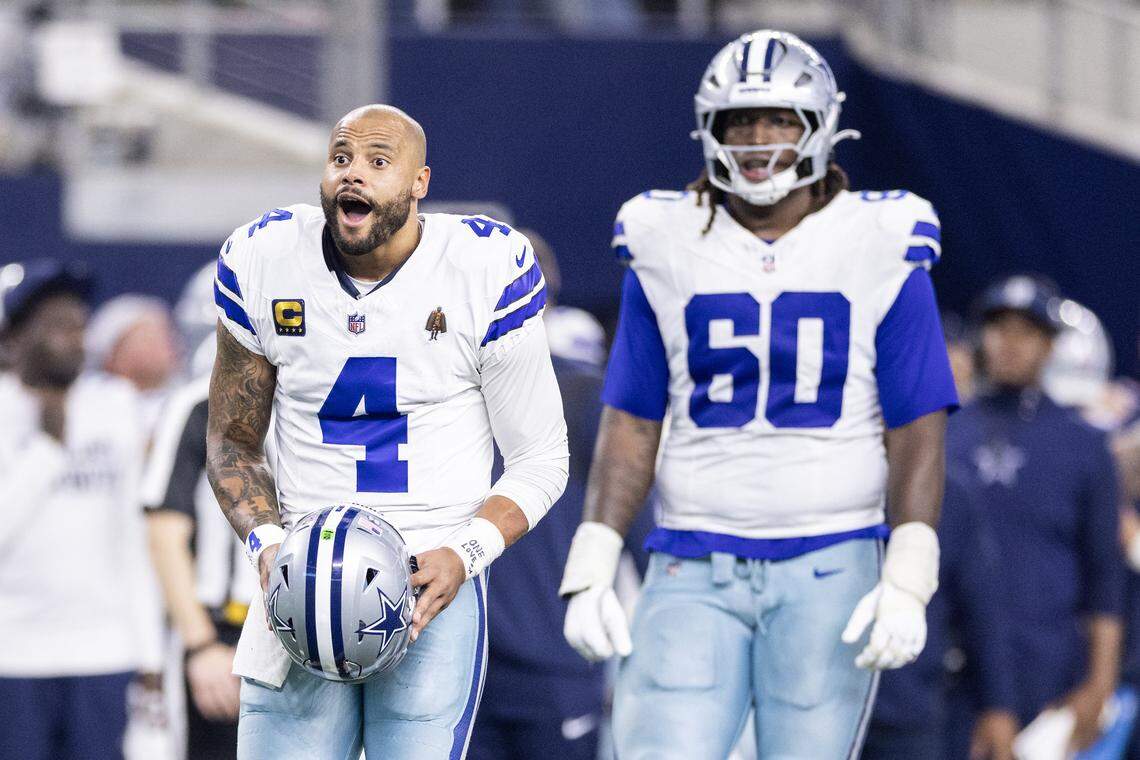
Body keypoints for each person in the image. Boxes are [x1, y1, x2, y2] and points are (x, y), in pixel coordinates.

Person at [557, 30, 959, 758]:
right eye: (739, 121)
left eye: (778, 119)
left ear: (820, 128)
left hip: (832, 559)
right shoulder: (664, 238)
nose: (757, 138)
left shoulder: (880, 238)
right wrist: (594, 557)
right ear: (709, 130)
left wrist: (909, 572)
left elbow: (917, 426)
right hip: (691, 555)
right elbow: (634, 419)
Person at [205, 104, 569, 758]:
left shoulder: (482, 266)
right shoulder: (265, 258)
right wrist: (268, 545)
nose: (353, 174)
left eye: (378, 161)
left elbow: (541, 457)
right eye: (341, 158)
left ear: (419, 182)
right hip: (302, 573)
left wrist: (465, 553)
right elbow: (232, 440)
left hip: (429, 577)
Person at [468, 232, 652, 760]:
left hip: (555, 660)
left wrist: (650, 659)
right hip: (456, 661)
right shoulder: (435, 393)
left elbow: (639, 529)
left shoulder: (584, 395)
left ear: (544, 297)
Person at [947, 274, 1124, 754]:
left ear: (1049, 345)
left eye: (1026, 331)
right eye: (999, 328)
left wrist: (1100, 683)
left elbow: (1104, 575)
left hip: (1048, 672)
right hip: (952, 669)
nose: (1010, 343)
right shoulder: (947, 432)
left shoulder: (1084, 444)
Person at [0, 259, 163, 760]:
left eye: (78, 324)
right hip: (14, 653)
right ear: (15, 338)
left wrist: (150, 652)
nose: (73, 338)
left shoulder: (114, 406)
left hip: (103, 650)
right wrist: (47, 448)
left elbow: (134, 537)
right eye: (55, 325)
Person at [143, 262, 259, 760]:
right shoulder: (195, 405)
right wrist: (200, 644)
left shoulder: (317, 403)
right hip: (224, 627)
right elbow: (164, 535)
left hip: (307, 627)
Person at [862, 468, 1018, 760]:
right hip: (815, 700)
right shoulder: (820, 482)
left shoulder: (950, 494)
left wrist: (997, 705)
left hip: (909, 709)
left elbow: (982, 610)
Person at [85, 294, 181, 434]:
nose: (168, 343)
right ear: (113, 355)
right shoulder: (89, 403)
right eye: (149, 338)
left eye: (167, 333)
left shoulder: (187, 397)